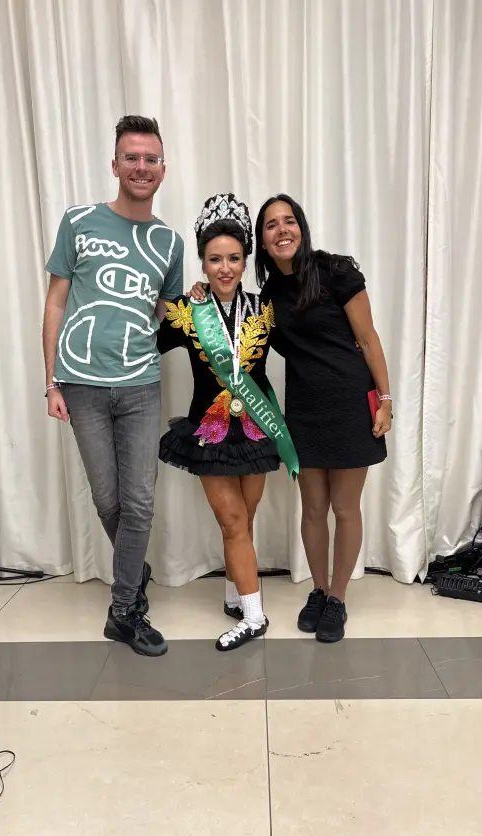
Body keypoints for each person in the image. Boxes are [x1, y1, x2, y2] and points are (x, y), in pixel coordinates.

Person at [191, 194, 391, 644]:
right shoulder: (269, 298)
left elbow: (368, 338)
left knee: (345, 508)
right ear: (261, 241)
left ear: (301, 226)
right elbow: (234, 330)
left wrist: (385, 398)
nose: (282, 230)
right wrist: (202, 294)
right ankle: (318, 590)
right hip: (303, 409)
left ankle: (338, 597)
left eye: (289, 221)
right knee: (313, 508)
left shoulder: (337, 271)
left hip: (349, 404)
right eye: (271, 225)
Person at [42, 115, 184, 658]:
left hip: (141, 384)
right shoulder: (78, 222)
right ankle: (134, 572)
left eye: (151, 159)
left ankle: (124, 611)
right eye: (132, 157)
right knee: (108, 501)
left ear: (163, 169)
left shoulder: (169, 242)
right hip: (81, 384)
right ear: (115, 164)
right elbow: (56, 301)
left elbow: (163, 311)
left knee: (139, 501)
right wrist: (51, 380)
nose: (141, 167)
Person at [158, 193, 299, 651]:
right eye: (215, 259)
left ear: (245, 261)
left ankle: (234, 595)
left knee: (243, 520)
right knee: (234, 520)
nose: (225, 268)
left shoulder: (263, 309)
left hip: (255, 429)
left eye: (234, 258)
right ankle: (255, 617)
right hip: (210, 431)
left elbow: (303, 346)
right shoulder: (188, 310)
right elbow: (146, 343)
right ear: (202, 263)